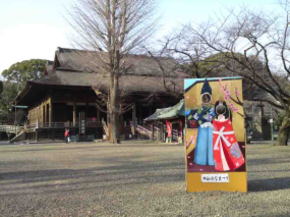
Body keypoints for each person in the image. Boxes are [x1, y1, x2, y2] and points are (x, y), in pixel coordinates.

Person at [187, 80, 215, 166]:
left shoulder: (213, 108)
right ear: (202, 97)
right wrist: (194, 117)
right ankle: (201, 160)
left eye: (207, 97)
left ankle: (211, 161)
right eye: (204, 97)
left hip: (211, 128)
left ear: (210, 97)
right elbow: (191, 117)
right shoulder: (198, 109)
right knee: (202, 145)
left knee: (211, 145)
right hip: (202, 128)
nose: (206, 99)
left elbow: (216, 116)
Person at [212, 100, 245, 171]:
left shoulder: (227, 120)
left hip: (227, 139)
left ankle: (232, 164)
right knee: (220, 153)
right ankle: (221, 166)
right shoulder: (214, 120)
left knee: (230, 152)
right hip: (219, 139)